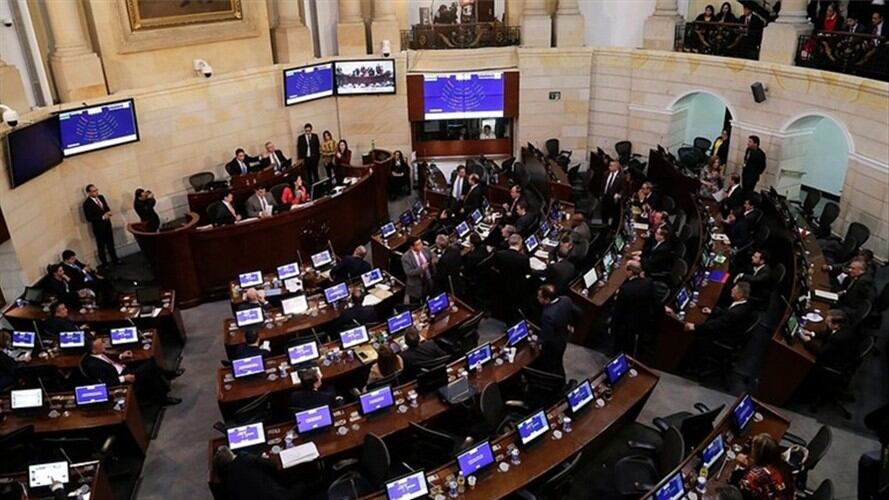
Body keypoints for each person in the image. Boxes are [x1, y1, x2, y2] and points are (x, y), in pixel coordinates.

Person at [82, 336, 182, 405]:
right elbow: (104, 383)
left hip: (123, 370)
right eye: (101, 344)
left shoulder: (97, 353)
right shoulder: (92, 365)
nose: (104, 345)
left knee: (150, 367)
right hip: (121, 381)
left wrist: (121, 356)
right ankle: (163, 396)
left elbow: (107, 357)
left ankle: (165, 382)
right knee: (150, 367)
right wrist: (124, 378)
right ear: (94, 350)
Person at [213, 445, 302, 500]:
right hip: (276, 497)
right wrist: (261, 459)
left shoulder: (225, 479)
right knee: (304, 484)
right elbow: (273, 466)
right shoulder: (245, 459)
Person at [684, 283, 754, 346]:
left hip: (726, 335)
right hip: (733, 328)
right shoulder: (745, 303)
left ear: (740, 294)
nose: (731, 290)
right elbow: (726, 313)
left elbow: (715, 324)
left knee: (699, 332)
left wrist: (695, 326)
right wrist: (711, 312)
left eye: (734, 289)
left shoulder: (734, 312)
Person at [612, 260, 658, 357]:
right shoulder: (649, 282)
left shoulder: (625, 289)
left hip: (628, 325)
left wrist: (617, 297)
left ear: (630, 272)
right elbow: (654, 301)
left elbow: (618, 312)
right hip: (645, 320)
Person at [532, 284, 578, 378]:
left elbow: (546, 336)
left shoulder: (548, 314)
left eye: (540, 296)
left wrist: (537, 342)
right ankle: (561, 378)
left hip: (553, 345)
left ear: (547, 299)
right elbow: (578, 312)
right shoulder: (566, 299)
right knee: (558, 361)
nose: (537, 298)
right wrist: (571, 324)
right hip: (563, 339)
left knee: (549, 365)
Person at [732, 433, 795, 499]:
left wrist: (741, 467)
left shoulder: (756, 476)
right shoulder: (782, 464)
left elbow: (737, 489)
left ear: (759, 455)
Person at [82, 184, 120, 267]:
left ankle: (115, 260)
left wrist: (108, 211)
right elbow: (89, 218)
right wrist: (102, 217)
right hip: (98, 228)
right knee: (101, 246)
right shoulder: (87, 204)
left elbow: (106, 207)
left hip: (107, 224)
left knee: (110, 243)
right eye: (94, 191)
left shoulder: (101, 197)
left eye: (96, 190)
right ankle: (105, 264)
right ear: (89, 193)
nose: (96, 192)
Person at [402, 237, 435, 303]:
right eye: (418, 244)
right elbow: (408, 272)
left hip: (429, 279)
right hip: (416, 285)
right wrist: (421, 268)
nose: (421, 245)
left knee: (432, 297)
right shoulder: (405, 258)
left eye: (421, 243)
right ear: (412, 247)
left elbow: (432, 256)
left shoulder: (426, 249)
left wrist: (434, 260)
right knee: (418, 302)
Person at [600, 160, 625, 228]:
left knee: (614, 216)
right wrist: (601, 195)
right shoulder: (606, 174)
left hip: (614, 199)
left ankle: (612, 229)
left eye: (611, 166)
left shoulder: (621, 177)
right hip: (605, 197)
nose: (609, 167)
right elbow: (602, 185)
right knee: (604, 214)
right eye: (609, 165)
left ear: (616, 167)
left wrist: (619, 195)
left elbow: (623, 189)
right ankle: (604, 226)